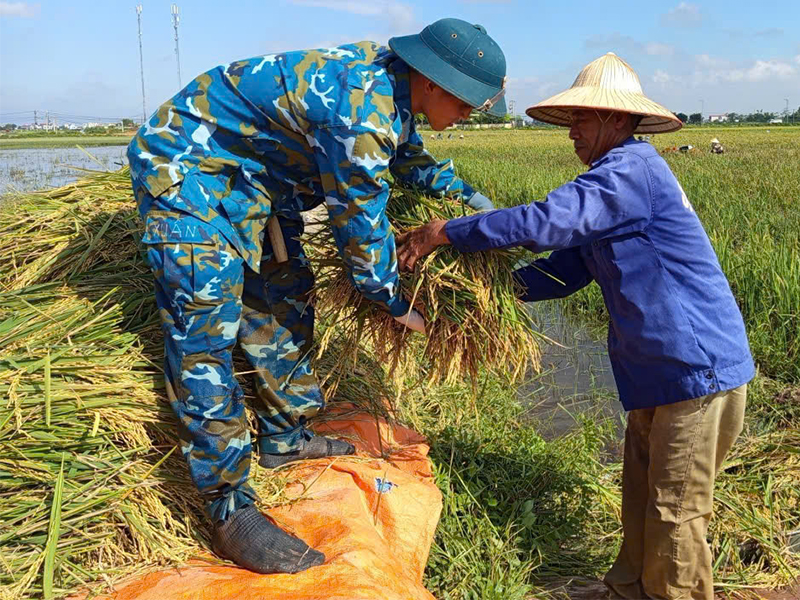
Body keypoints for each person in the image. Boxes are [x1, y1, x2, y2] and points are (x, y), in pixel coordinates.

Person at [127, 18, 506, 575]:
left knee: (286, 294)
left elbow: (410, 161)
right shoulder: (363, 108)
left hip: (253, 182)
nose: (469, 116)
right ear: (432, 80)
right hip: (189, 174)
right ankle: (231, 509)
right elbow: (361, 225)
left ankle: (284, 435)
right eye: (468, 104)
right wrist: (395, 303)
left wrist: (479, 204)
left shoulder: (392, 89)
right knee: (203, 337)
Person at [396, 52, 754, 600]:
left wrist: (447, 232)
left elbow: (549, 222)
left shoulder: (631, 171)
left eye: (580, 121)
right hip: (657, 369)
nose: (572, 134)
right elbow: (565, 272)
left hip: (696, 367)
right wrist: (481, 299)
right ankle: (627, 589)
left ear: (614, 119)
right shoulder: (613, 183)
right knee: (642, 491)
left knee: (675, 511)